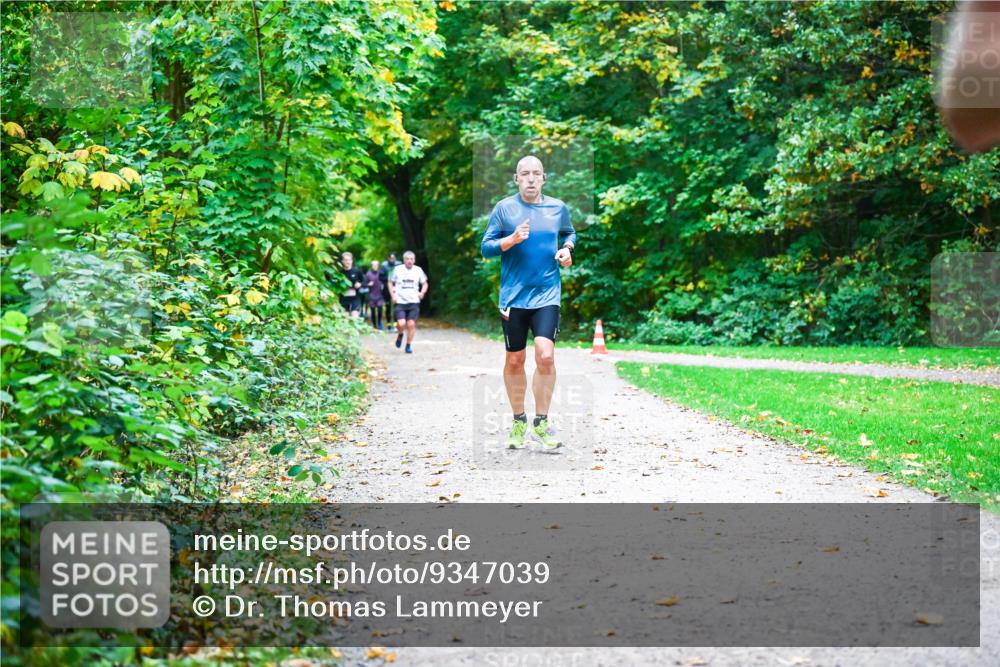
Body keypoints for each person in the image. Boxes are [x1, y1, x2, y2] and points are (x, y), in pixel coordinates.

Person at [480, 155, 575, 450]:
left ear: (544, 178)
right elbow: (486, 247)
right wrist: (510, 240)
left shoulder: (557, 208)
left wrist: (567, 249)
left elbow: (569, 233)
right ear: (516, 179)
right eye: (525, 174)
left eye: (536, 173)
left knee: (545, 356)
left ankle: (542, 422)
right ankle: (519, 420)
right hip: (513, 297)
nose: (531, 178)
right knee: (515, 359)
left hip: (547, 293)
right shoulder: (504, 209)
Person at [387, 250, 428, 354]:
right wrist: (393, 295)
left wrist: (422, 292)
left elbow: (425, 283)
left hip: (414, 301)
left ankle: (408, 345)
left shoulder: (418, 270)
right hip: (400, 301)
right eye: (407, 259)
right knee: (401, 323)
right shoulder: (397, 269)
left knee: (411, 324)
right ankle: (400, 334)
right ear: (404, 260)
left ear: (414, 260)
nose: (409, 261)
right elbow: (390, 282)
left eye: (411, 259)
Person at [338, 251, 364, 317]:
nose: (348, 262)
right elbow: (336, 285)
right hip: (343, 299)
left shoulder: (357, 271)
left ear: (352, 261)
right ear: (342, 261)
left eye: (349, 260)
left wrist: (359, 284)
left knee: (355, 318)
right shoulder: (339, 273)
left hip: (355, 298)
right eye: (346, 260)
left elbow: (364, 281)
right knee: (345, 321)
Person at [379, 253, 399, 332]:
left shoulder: (399, 265)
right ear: (388, 259)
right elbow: (380, 277)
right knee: (388, 307)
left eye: (393, 258)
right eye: (390, 258)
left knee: (397, 307)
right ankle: (389, 325)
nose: (392, 260)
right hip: (386, 289)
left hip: (397, 288)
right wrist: (388, 279)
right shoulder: (384, 266)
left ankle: (396, 325)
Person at [365, 260, 385, 330]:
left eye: (376, 265)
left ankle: (379, 321)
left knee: (380, 309)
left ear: (378, 266)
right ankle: (374, 325)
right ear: (371, 266)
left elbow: (386, 281)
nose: (375, 266)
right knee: (373, 311)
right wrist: (368, 284)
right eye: (373, 265)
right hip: (371, 295)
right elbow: (363, 284)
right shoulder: (368, 274)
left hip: (380, 295)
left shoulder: (381, 273)